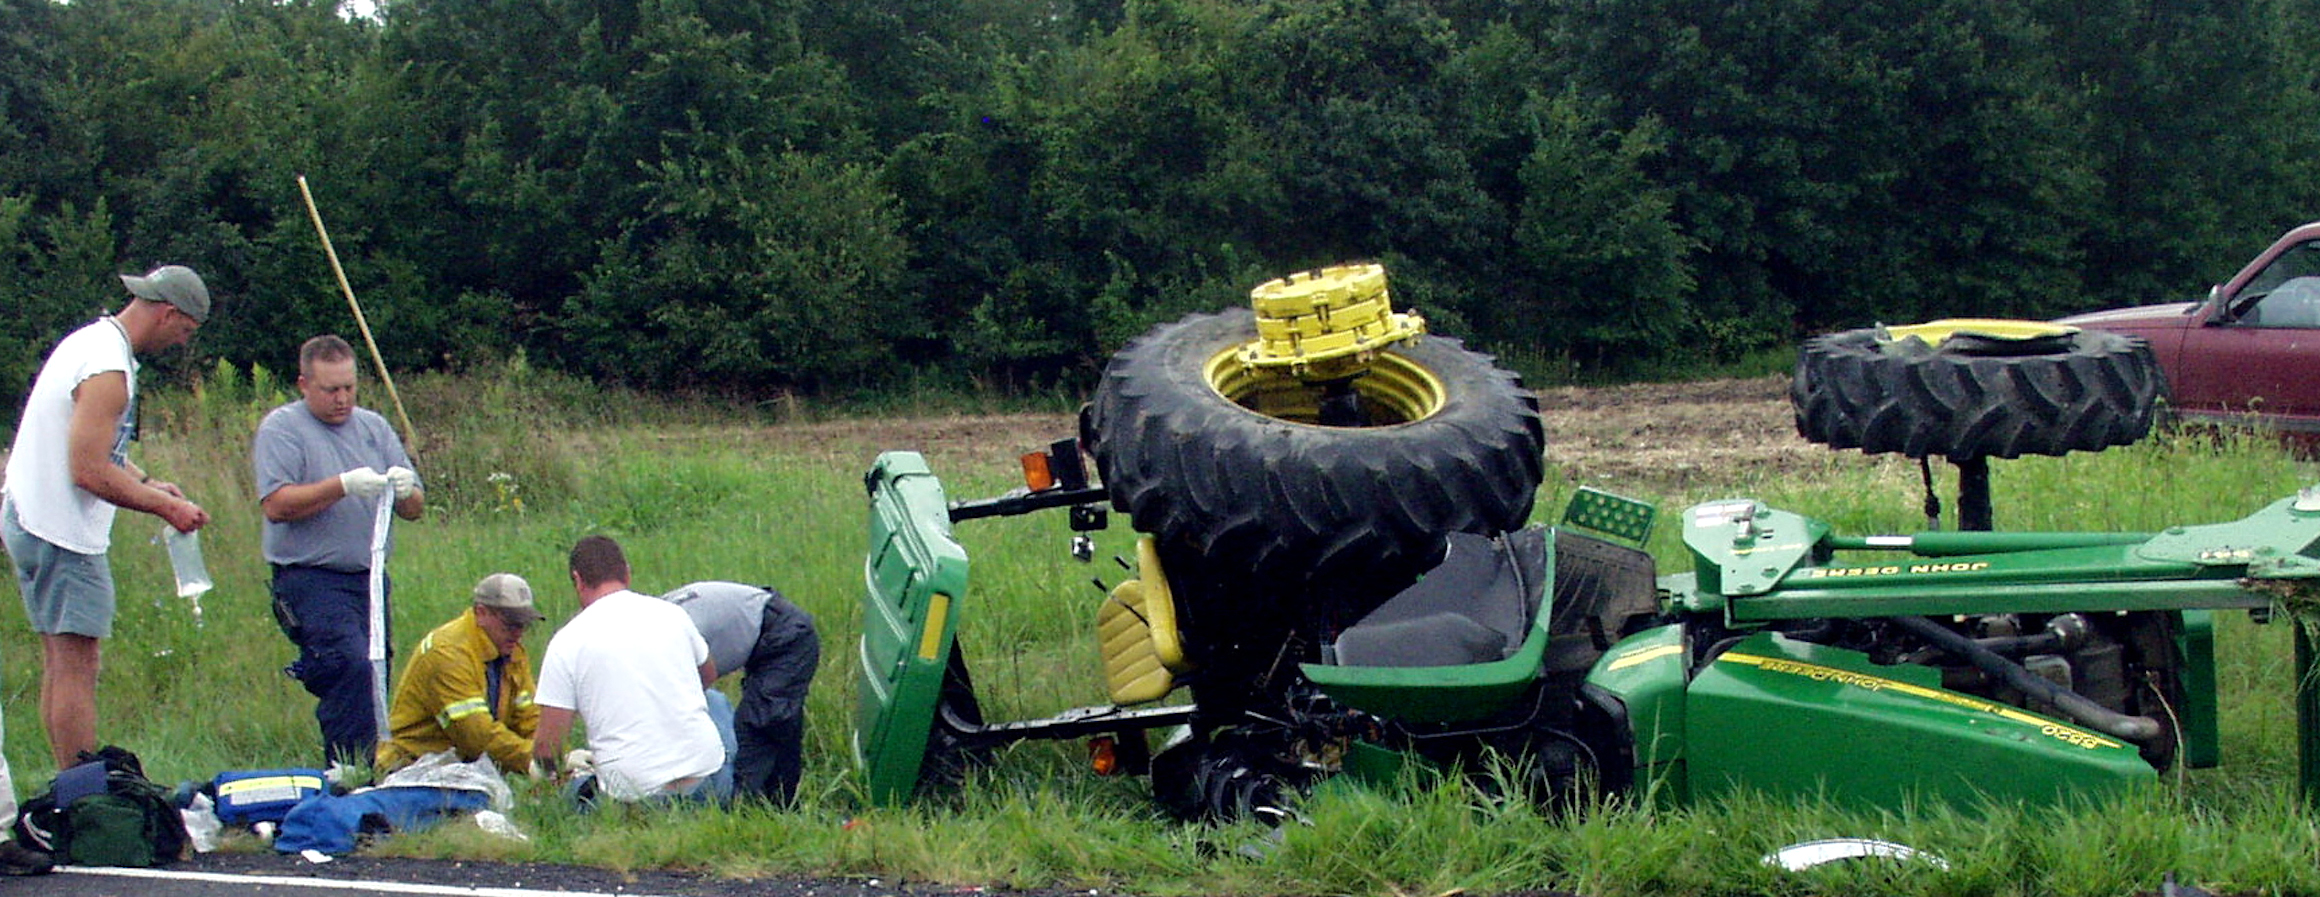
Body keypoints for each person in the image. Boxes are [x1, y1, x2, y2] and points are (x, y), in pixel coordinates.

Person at [2, 265, 213, 769]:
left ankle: (68, 789)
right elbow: (89, 470)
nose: (182, 343)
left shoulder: (91, 342)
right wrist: (168, 507)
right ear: (168, 314)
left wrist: (145, 482)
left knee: (61, 660)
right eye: (185, 331)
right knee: (78, 665)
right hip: (60, 530)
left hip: (27, 516)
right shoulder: (109, 372)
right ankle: (82, 797)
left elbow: (91, 445)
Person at [254, 334, 425, 767]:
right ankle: (347, 773)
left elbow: (415, 508)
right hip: (310, 577)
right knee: (347, 665)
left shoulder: (373, 427)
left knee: (376, 673)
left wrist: (406, 490)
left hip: (367, 577)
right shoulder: (283, 429)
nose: (342, 399)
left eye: (349, 387)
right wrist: (342, 486)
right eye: (330, 389)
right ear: (304, 384)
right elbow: (276, 504)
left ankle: (370, 768)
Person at [533, 536, 734, 805]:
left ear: (578, 580)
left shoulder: (566, 642)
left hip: (635, 799)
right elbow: (708, 676)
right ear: (627, 573)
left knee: (574, 791)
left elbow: (548, 748)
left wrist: (554, 775)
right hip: (709, 785)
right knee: (716, 701)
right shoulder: (672, 614)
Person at [659, 581, 818, 805]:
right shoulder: (657, 616)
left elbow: (685, 700)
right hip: (764, 622)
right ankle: (781, 804)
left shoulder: (666, 638)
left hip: (786, 634)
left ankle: (745, 807)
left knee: (758, 725)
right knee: (779, 727)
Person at [375, 573, 543, 776]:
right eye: (510, 624)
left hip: (463, 768)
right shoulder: (448, 652)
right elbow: (475, 737)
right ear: (481, 613)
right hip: (412, 768)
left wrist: (554, 756)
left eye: (524, 624)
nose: (518, 633)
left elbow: (530, 718)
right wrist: (534, 760)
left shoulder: (511, 651)